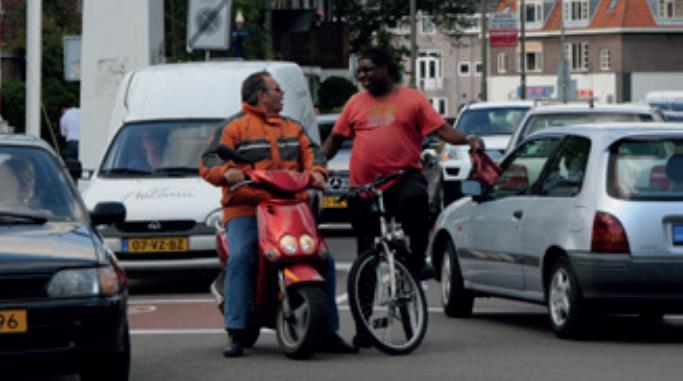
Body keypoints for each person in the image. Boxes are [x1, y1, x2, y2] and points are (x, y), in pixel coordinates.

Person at [323, 47, 477, 348]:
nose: (363, 77)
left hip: (401, 178)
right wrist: (315, 166)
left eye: (368, 70)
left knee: (416, 200)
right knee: (364, 258)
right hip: (364, 186)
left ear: (385, 68)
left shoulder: (412, 100)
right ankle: (363, 328)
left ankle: (417, 260)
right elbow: (335, 139)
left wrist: (469, 140)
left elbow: (443, 129)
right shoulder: (354, 103)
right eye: (360, 73)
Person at [200, 71, 356, 357]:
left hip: (292, 205)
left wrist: (318, 173)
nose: (282, 94)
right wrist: (228, 172)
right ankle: (235, 329)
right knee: (241, 255)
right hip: (247, 207)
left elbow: (314, 154)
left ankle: (329, 329)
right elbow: (208, 161)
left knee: (323, 258)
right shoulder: (233, 127)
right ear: (261, 95)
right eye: (277, 89)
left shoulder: (293, 127)